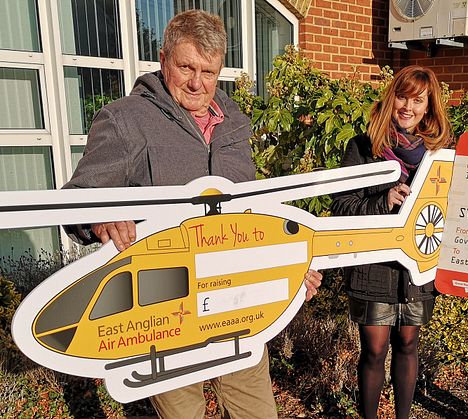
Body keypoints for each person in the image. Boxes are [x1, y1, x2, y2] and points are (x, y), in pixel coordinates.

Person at [63, 10, 322, 419]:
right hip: (168, 312)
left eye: (209, 71)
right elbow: (78, 199)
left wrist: (286, 266)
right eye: (186, 67)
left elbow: (251, 214)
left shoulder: (234, 123)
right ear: (163, 58)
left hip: (238, 306)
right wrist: (100, 219)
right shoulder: (126, 119)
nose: (198, 82)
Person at [331, 65, 451, 418]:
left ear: (429, 107)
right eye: (402, 96)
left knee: (409, 342)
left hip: (417, 266)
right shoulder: (364, 147)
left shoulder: (438, 156)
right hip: (373, 266)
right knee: (374, 348)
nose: (408, 107)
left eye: (418, 100)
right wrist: (382, 202)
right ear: (390, 98)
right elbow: (341, 205)